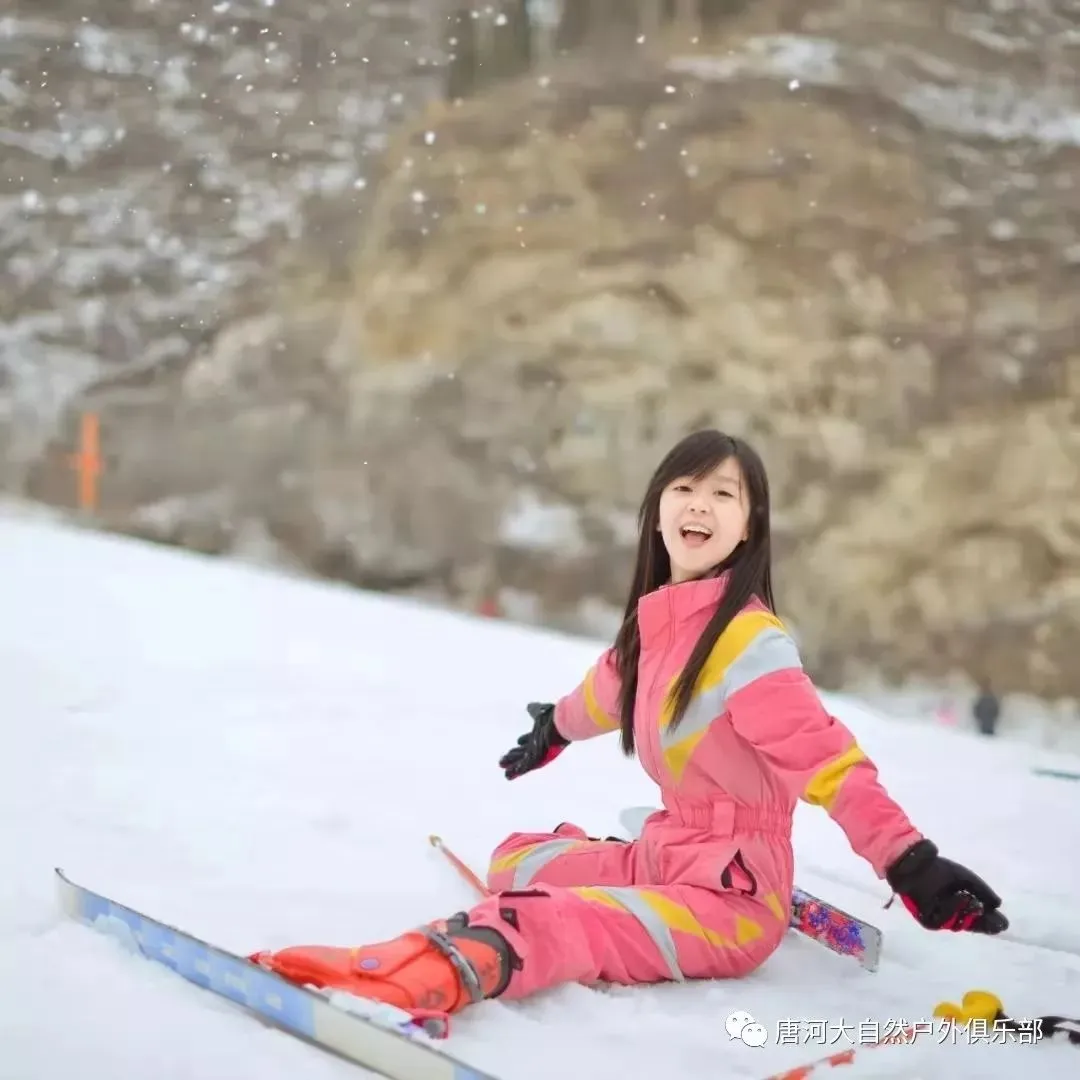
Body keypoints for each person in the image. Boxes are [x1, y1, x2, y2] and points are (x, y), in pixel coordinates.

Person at [250, 430, 1008, 1020]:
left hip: (732, 903)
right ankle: (611, 891)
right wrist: (553, 730)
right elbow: (603, 693)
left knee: (547, 917)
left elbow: (828, 762)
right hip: (667, 853)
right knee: (518, 861)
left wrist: (909, 862)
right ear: (658, 510)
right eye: (684, 488)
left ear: (749, 526)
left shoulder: (750, 644)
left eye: (723, 494)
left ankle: (426, 974)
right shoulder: (658, 631)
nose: (699, 506)